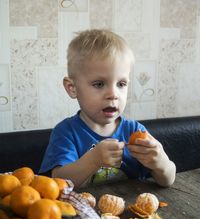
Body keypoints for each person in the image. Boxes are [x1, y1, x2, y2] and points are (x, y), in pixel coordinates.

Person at [39, 29, 176, 189]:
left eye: (121, 84)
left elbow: (167, 180)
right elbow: (59, 182)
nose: (113, 94)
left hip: (130, 211)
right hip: (83, 212)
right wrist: (94, 160)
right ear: (72, 88)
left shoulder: (134, 130)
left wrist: (161, 163)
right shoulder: (66, 132)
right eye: (99, 84)